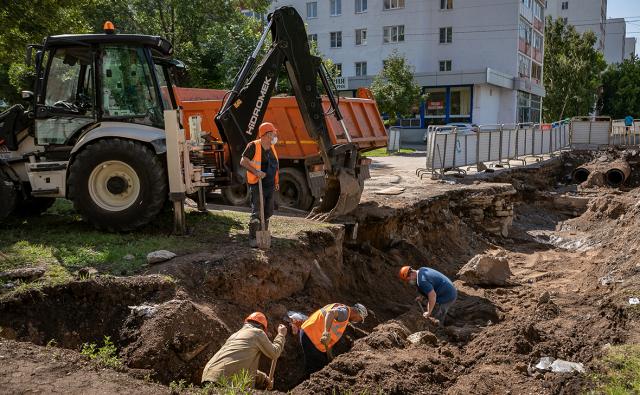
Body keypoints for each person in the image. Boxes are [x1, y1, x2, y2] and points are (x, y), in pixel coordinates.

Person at [201, 312, 287, 389]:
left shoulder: (235, 335)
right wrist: (281, 335)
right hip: (224, 379)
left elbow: (239, 365)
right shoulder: (258, 333)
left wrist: (264, 379)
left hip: (209, 376)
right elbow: (275, 353)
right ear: (262, 328)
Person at [298, 303, 368, 376]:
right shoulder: (344, 313)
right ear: (357, 313)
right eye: (359, 319)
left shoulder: (340, 307)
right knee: (316, 367)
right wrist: (326, 332)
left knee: (322, 363)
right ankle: (306, 382)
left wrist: (329, 353)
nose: (357, 321)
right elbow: (330, 313)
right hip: (311, 335)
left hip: (310, 332)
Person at [239, 122, 280, 248]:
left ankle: (263, 233)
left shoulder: (272, 147)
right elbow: (243, 162)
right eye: (273, 133)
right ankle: (252, 238)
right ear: (267, 134)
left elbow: (275, 166)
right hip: (257, 184)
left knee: (268, 211)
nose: (275, 135)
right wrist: (256, 172)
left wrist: (276, 182)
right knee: (257, 211)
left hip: (270, 185)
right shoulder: (253, 146)